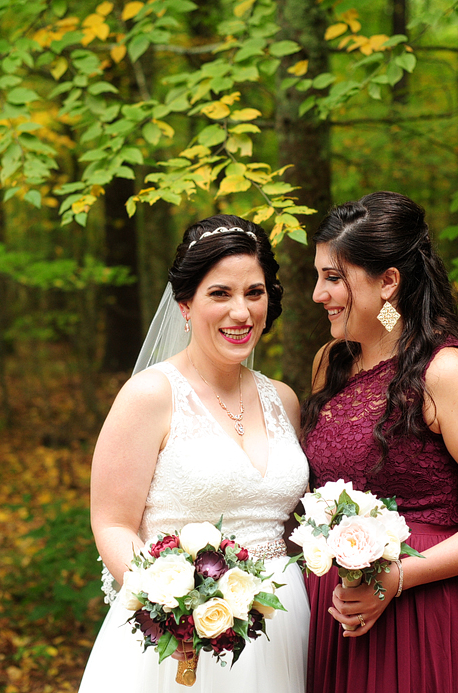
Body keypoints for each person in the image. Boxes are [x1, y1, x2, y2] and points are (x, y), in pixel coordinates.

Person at [301, 191, 458, 693]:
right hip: (335, 610)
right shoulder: (334, 361)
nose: (318, 294)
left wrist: (400, 577)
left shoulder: (447, 372)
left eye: (333, 278)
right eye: (319, 276)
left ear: (389, 281)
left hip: (424, 609)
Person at [78, 215, 310, 693]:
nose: (241, 313)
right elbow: (112, 523)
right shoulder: (149, 396)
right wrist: (167, 607)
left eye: (255, 292)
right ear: (185, 303)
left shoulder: (284, 400)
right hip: (184, 636)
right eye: (220, 294)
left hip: (284, 625)